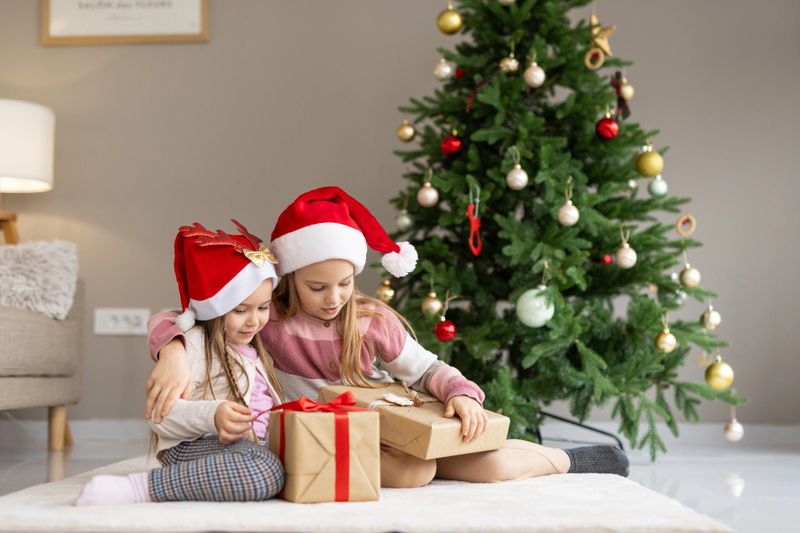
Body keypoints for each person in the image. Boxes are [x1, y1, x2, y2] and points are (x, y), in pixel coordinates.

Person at [146, 187, 629, 488]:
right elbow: (190, 315)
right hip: (320, 438)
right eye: (316, 287)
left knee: (484, 463)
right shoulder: (266, 318)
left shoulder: (371, 320)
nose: (333, 298)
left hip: (386, 429)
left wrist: (461, 394)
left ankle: (573, 460)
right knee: (416, 472)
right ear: (288, 279)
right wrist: (171, 351)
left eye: (345, 283)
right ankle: (530, 460)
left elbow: (426, 369)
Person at [76, 220, 285, 505]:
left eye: (262, 308)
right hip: (194, 444)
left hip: (249, 447)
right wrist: (214, 415)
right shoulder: (196, 346)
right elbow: (162, 418)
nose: (254, 320)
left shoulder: (256, 348)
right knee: (266, 470)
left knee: (288, 460)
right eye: (240, 310)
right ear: (216, 308)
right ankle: (137, 489)